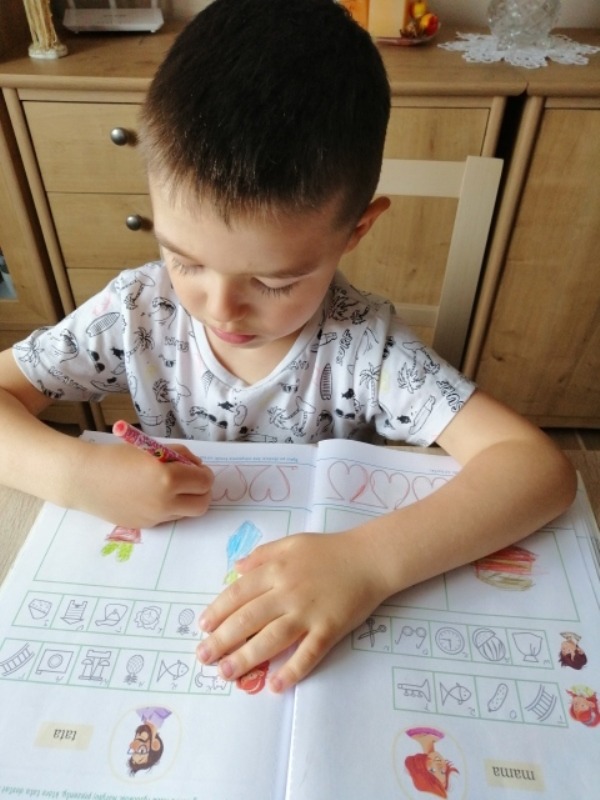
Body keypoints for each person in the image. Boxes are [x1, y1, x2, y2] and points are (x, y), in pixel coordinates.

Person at [0, 0, 576, 694]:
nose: (220, 307)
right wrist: (77, 474)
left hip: (326, 615)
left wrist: (370, 562)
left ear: (356, 231)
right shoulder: (136, 313)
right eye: (184, 259)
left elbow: (537, 470)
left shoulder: (364, 348)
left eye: (274, 282)